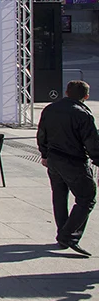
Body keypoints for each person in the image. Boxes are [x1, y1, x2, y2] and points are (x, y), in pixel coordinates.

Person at [37, 80, 99, 256]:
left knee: (59, 196)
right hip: (73, 161)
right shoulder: (83, 114)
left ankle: (62, 233)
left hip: (54, 159)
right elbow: (91, 142)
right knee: (87, 197)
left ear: (66, 92)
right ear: (86, 96)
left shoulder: (50, 109)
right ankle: (68, 235)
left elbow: (42, 133)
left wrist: (44, 154)